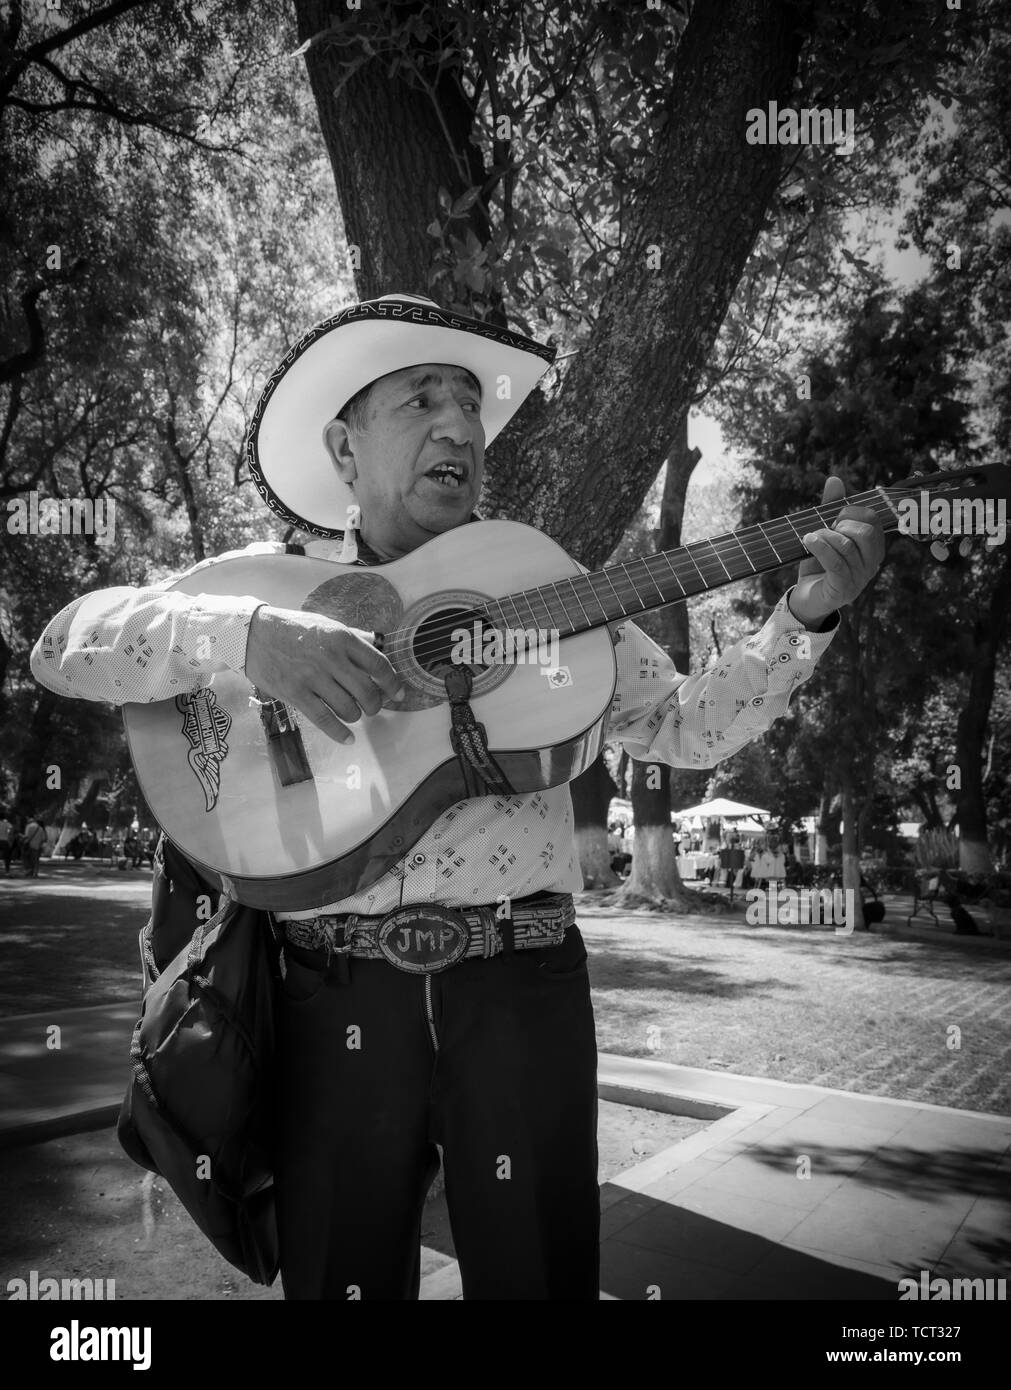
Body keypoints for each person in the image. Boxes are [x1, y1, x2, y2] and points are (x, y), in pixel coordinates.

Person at [30, 292, 886, 1300]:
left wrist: (806, 615)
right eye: (421, 398)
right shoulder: (267, 580)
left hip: (521, 994)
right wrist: (248, 636)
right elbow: (68, 643)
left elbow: (687, 724)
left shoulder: (539, 578)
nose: (458, 424)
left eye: (469, 404)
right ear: (346, 450)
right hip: (330, 997)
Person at [0, 810, 13, 876]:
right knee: (7, 857)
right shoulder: (7, 823)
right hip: (5, 841)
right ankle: (7, 871)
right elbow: (11, 830)